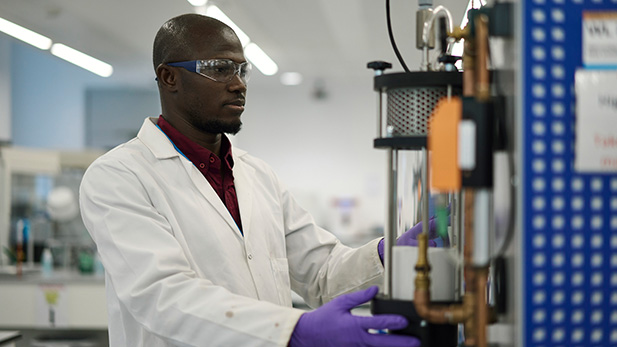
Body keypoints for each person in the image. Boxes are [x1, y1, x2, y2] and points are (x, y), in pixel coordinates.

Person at [80, 13, 426, 347]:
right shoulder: (118, 176)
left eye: (242, 69)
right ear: (169, 77)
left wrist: (389, 254)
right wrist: (293, 330)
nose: (238, 83)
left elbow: (321, 273)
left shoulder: (257, 174)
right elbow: (163, 297)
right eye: (219, 68)